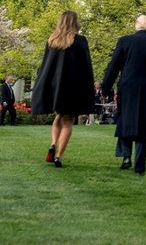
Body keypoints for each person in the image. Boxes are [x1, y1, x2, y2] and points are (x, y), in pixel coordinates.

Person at [100, 14, 146, 175]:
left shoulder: (124, 41)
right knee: (144, 124)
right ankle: (140, 164)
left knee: (125, 120)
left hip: (128, 86)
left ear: (136, 25)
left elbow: (114, 66)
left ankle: (126, 156)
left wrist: (106, 88)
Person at [30, 11, 97, 166]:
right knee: (68, 121)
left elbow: (46, 65)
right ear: (75, 22)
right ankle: (59, 156)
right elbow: (85, 66)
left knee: (58, 116)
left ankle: (53, 143)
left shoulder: (52, 40)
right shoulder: (80, 41)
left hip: (56, 87)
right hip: (72, 87)